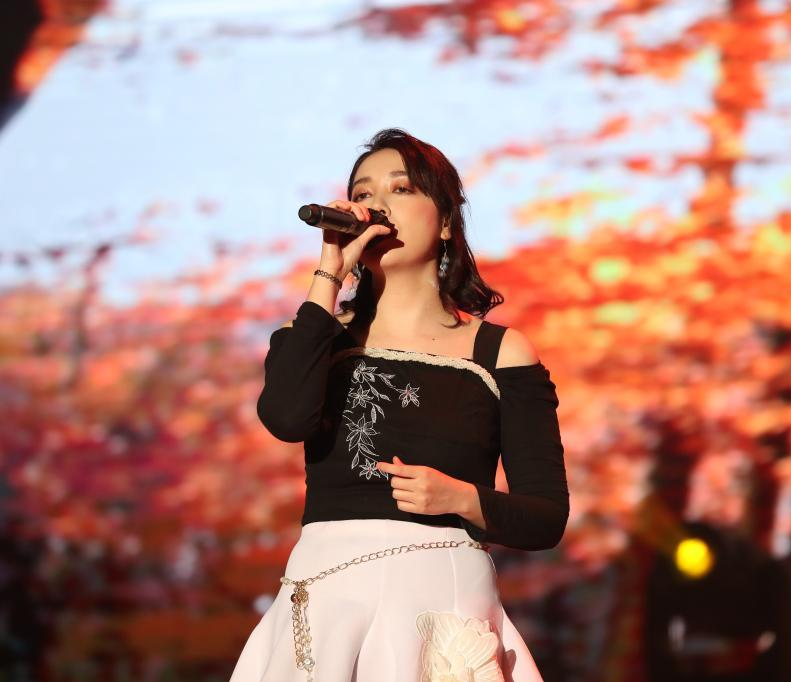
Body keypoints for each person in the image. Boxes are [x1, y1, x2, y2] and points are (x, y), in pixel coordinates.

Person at [229, 128, 570, 681]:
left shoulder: (500, 351)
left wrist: (458, 497)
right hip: (329, 599)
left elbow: (545, 518)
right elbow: (287, 419)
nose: (378, 206)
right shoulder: (316, 337)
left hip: (442, 603)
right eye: (363, 194)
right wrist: (329, 273)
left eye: (401, 188)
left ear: (446, 221)